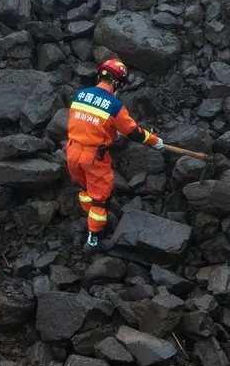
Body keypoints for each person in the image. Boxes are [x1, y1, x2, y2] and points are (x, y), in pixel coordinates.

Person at [64, 59, 166, 249]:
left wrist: (109, 130)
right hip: (93, 156)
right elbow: (133, 132)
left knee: (84, 186)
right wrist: (155, 141)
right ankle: (94, 239)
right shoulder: (113, 105)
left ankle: (86, 213)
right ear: (117, 82)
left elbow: (85, 122)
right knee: (101, 199)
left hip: (71, 150)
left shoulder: (80, 95)